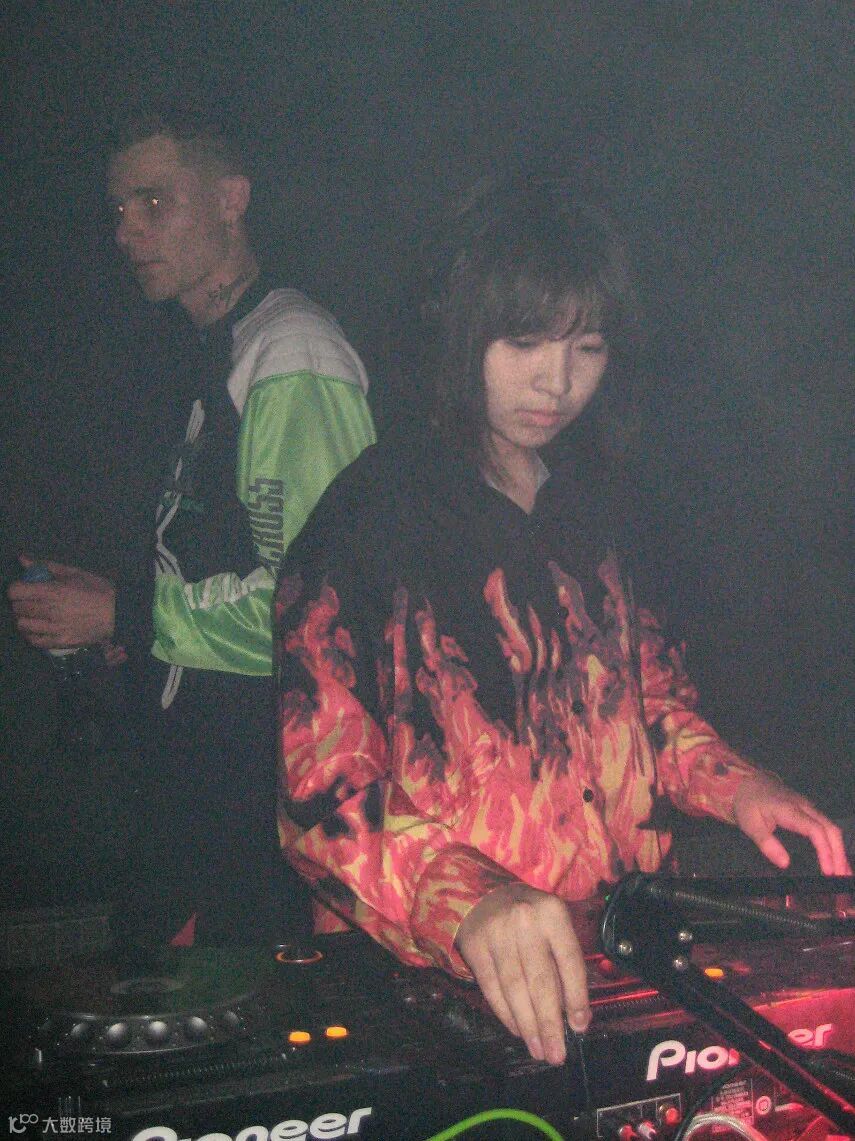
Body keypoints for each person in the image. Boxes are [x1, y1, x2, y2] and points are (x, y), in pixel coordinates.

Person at [272, 179, 850, 1065]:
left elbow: (648, 706)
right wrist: (469, 897)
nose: (557, 381)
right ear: (459, 333)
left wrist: (738, 786)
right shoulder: (367, 523)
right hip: (433, 984)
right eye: (524, 343)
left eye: (587, 347)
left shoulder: (594, 505)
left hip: (608, 956)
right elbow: (323, 799)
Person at [8, 107, 376, 946]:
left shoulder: (291, 355)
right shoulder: (214, 350)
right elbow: (223, 569)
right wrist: (123, 622)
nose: (126, 232)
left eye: (153, 202)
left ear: (230, 200)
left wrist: (128, 613)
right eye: (118, 210)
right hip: (197, 787)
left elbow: (316, 614)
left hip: (260, 806)